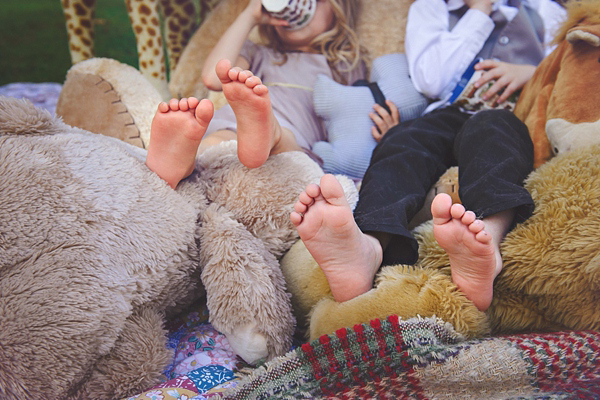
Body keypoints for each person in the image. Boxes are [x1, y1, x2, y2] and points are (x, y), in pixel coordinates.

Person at [290, 0, 567, 312]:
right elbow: (431, 78)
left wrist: (532, 73)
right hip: (443, 114)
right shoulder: (430, 8)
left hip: (511, 114)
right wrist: (480, 10)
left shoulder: (546, 10)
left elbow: (571, 72)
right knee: (402, 142)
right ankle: (369, 245)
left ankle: (487, 239)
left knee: (496, 137)